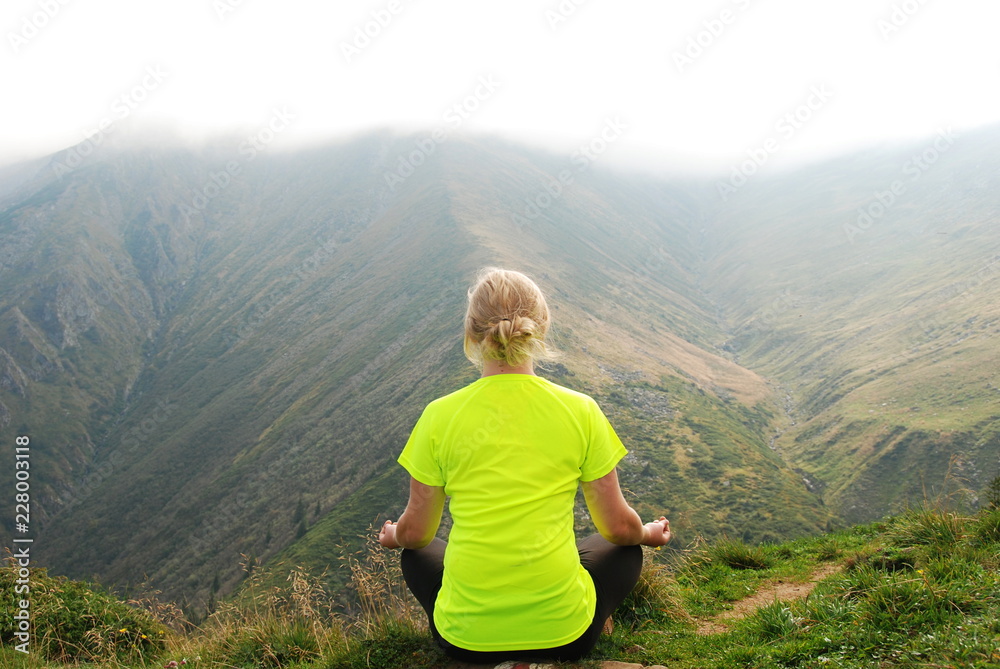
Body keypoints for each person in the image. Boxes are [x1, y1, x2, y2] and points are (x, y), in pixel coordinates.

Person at [377, 267, 671, 663]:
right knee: (626, 548)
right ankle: (583, 621)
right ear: (541, 328)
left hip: (466, 644)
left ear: (472, 334)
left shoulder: (438, 416)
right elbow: (618, 528)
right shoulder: (580, 410)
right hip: (566, 638)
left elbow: (416, 534)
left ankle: (487, 638)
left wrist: (392, 536)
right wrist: (648, 533)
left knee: (416, 554)